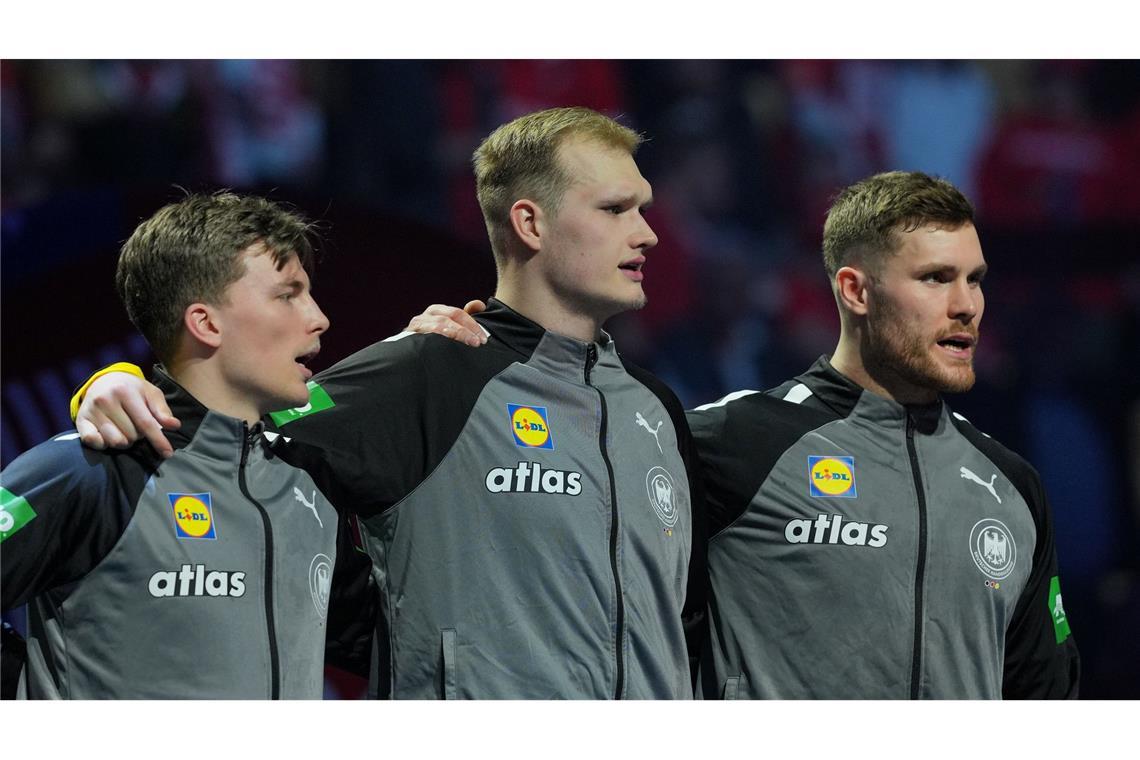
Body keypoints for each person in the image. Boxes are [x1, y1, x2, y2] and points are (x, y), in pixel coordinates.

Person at [70, 107, 707, 699]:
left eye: (643, 209)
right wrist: (117, 383)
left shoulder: (655, 409)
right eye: (617, 209)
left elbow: (691, 622)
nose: (648, 234)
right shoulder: (429, 369)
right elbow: (223, 432)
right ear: (529, 222)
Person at [689, 171, 1079, 698]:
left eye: (975, 278)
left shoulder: (1012, 484)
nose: (967, 305)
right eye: (936, 278)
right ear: (855, 291)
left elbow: (1046, 701)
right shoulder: (732, 441)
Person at [0, 192, 367, 698]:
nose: (319, 317)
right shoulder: (89, 470)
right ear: (206, 323)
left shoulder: (307, 475)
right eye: (288, 294)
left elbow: (389, 635)